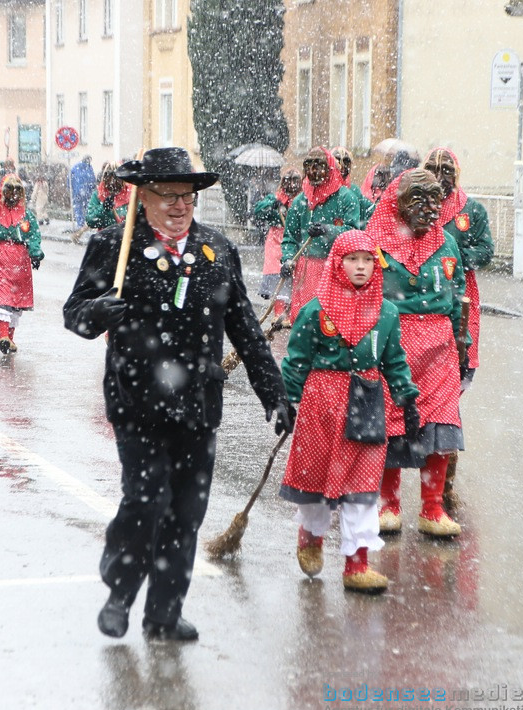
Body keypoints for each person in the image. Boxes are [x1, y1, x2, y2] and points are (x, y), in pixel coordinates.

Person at [63, 147, 293, 642]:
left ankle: (164, 615)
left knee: (186, 511)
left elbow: (246, 331)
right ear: (142, 197)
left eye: (186, 195)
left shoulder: (217, 251)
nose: (178, 205)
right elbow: (74, 315)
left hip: (198, 404)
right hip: (137, 401)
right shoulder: (112, 245)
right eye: (166, 195)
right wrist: (97, 313)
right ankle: (120, 593)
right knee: (146, 502)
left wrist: (273, 393)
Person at [280, 229, 420, 593]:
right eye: (352, 260)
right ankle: (310, 534)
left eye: (367, 260)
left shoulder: (387, 312)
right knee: (317, 478)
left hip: (367, 401)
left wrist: (406, 396)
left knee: (362, 484)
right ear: (337, 264)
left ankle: (356, 564)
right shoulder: (316, 309)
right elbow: (297, 359)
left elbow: (395, 360)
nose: (361, 267)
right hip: (322, 403)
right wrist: (285, 400)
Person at [366, 169, 466, 538]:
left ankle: (432, 508)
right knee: (391, 424)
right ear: (398, 203)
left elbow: (458, 298)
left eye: (435, 201)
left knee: (439, 426)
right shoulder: (374, 243)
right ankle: (387, 505)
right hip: (393, 344)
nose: (429, 209)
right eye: (418, 201)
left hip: (439, 350)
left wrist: (463, 347)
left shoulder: (446, 245)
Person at [422, 147, 495, 510]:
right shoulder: (416, 203)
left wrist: (456, 258)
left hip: (460, 294)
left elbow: (486, 249)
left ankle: (444, 474)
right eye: (433, 168)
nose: (440, 174)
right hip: (421, 296)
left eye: (446, 169)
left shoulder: (472, 210)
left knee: (452, 381)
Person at [280, 147, 361, 321]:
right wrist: (287, 259)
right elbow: (290, 238)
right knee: (304, 321)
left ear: (330, 168)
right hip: (306, 271)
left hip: (336, 269)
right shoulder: (300, 202)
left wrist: (328, 230)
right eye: (309, 167)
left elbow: (354, 233)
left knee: (332, 322)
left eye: (319, 167)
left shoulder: (346, 198)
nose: (314, 172)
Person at [0, 175, 44, 354]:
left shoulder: (27, 216)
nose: (14, 194)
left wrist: (35, 254)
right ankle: (2, 336)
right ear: (2, 192)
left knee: (15, 302)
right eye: (10, 189)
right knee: (1, 300)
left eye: (18, 190)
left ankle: (9, 338)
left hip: (19, 262)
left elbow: (33, 237)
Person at [252, 167, 301, 321]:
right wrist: (273, 204)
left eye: (295, 181)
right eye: (288, 181)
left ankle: (292, 314)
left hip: (295, 240)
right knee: (277, 274)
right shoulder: (276, 197)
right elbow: (258, 210)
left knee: (296, 278)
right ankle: (279, 314)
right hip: (275, 241)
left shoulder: (303, 200)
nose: (291, 185)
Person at [333, 146, 373, 230]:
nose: (343, 166)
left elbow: (370, 210)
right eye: (338, 161)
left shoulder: (355, 190)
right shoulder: (324, 192)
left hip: (354, 239)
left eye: (346, 162)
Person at [86, 163, 131, 230]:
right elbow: (90, 221)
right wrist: (103, 209)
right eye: (109, 178)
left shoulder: (131, 195)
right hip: (104, 237)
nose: (112, 182)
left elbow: (135, 221)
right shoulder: (98, 195)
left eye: (116, 179)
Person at [71, 155, 96, 228]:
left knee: (78, 208)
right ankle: (87, 224)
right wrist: (92, 188)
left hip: (77, 192)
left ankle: (80, 224)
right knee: (88, 208)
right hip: (87, 192)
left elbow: (69, 179)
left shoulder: (75, 167)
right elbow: (93, 180)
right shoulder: (89, 168)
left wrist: (72, 188)